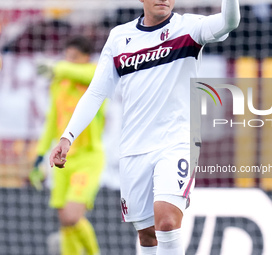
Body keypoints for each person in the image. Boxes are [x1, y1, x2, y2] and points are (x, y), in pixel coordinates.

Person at [49, 0, 240, 254]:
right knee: (147, 235)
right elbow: (96, 92)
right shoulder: (119, 37)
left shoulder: (190, 28)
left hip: (177, 142)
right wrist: (67, 136)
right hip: (134, 148)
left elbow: (229, 22)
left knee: (168, 221)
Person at [30, 35, 105, 255]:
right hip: (63, 157)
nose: (68, 62)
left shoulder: (95, 77)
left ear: (85, 58)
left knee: (72, 216)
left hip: (88, 158)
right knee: (65, 221)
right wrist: (40, 155)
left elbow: (80, 73)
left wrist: (57, 66)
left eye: (74, 58)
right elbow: (52, 121)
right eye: (66, 57)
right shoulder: (59, 82)